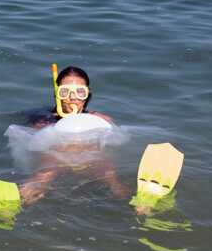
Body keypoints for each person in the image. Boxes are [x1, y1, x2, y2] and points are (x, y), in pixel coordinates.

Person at [18, 66, 131, 205]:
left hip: (91, 158)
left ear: (87, 94)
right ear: (57, 93)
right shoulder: (44, 120)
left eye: (80, 92)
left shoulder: (102, 120)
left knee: (108, 175)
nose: (72, 98)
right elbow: (33, 144)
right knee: (45, 174)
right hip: (56, 157)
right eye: (65, 92)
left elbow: (115, 142)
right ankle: (14, 203)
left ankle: (138, 205)